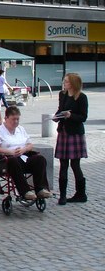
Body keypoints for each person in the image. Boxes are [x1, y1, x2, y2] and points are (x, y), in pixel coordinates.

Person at [0, 106, 52, 200]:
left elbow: (30, 144)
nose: (16, 122)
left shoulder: (21, 129)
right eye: (13, 119)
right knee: (13, 161)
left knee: (40, 159)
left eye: (18, 119)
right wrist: (9, 151)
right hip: (6, 160)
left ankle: (41, 189)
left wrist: (24, 149)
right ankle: (25, 191)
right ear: (6, 118)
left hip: (23, 157)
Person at [54, 73, 88, 205]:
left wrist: (70, 115)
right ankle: (62, 196)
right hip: (63, 132)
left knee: (75, 164)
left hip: (75, 134)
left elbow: (83, 117)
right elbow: (59, 110)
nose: (64, 83)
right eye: (64, 81)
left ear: (73, 83)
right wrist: (56, 116)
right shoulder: (62, 94)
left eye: (67, 81)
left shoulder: (81, 97)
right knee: (63, 164)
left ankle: (81, 194)